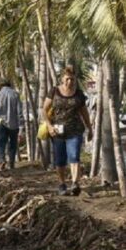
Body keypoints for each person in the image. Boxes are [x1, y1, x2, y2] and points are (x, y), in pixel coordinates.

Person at [43, 66, 93, 196]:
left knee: (74, 156)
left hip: (75, 130)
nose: (69, 82)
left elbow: (84, 113)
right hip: (57, 131)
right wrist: (49, 126)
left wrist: (90, 128)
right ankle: (62, 184)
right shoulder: (54, 91)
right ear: (62, 79)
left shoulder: (79, 94)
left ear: (75, 79)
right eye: (67, 79)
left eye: (72, 79)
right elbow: (44, 110)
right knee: (60, 160)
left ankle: (75, 183)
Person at [0, 80, 24, 170]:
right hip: (14, 124)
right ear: (10, 85)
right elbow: (20, 112)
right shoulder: (16, 94)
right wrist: (21, 127)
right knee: (13, 144)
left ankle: (2, 160)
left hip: (1, 123)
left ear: (2, 86)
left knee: (1, 143)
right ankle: (12, 163)